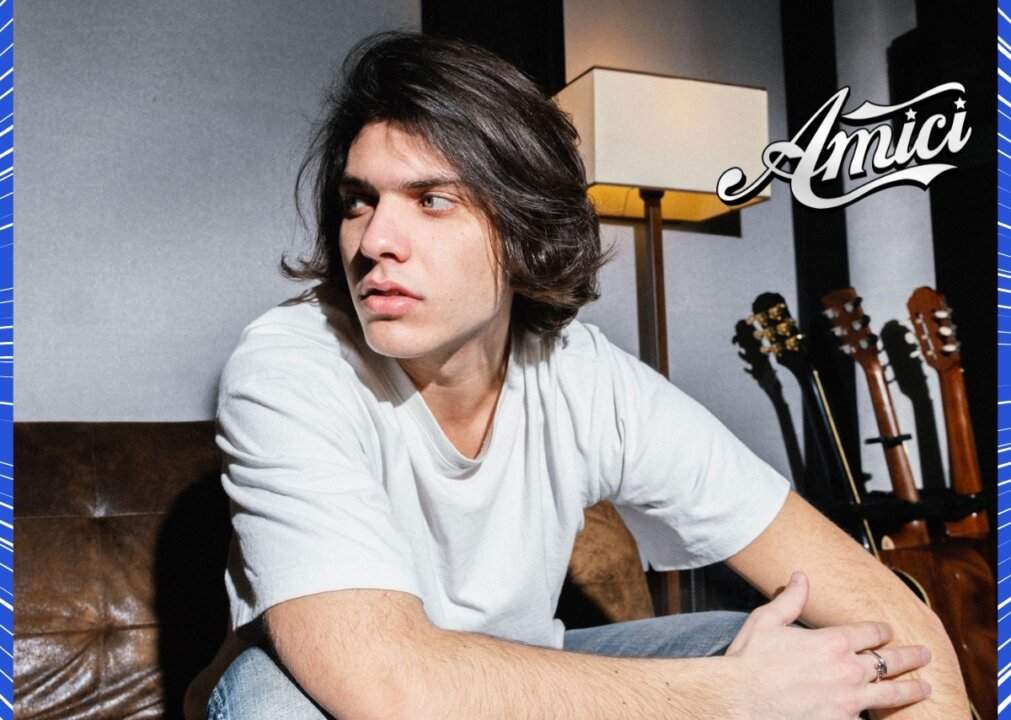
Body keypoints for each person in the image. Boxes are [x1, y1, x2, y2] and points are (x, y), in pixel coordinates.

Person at [185, 31, 968, 719]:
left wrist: (778, 685)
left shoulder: (582, 376)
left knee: (818, 658)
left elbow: (872, 599)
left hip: (519, 674)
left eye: (432, 200)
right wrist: (726, 698)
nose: (373, 240)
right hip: (327, 684)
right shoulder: (291, 365)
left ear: (523, 224)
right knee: (272, 706)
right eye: (359, 201)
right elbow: (383, 685)